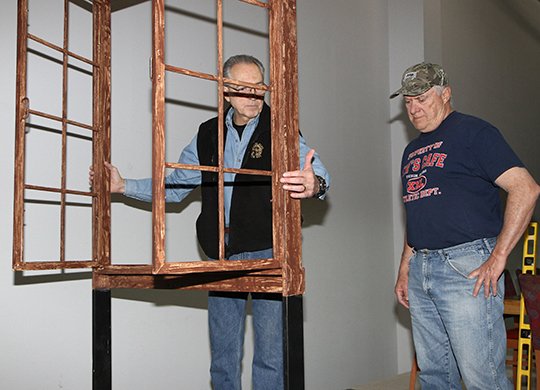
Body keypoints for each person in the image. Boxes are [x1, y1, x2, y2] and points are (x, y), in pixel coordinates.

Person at [90, 54, 330, 390]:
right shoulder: (207, 133)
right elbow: (176, 186)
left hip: (269, 250)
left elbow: (312, 165)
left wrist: (315, 183)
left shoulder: (282, 126)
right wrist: (122, 186)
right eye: (245, 88)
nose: (254, 95)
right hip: (220, 254)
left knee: (272, 356)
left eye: (260, 87)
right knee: (223, 354)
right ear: (227, 91)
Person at [391, 62, 539, 389]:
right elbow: (417, 208)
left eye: (422, 99)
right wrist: (405, 267)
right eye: (408, 102)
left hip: (466, 267)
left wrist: (499, 256)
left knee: (481, 378)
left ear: (446, 94)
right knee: (434, 377)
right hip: (421, 267)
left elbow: (526, 188)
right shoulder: (411, 151)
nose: (414, 109)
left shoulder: (475, 133)